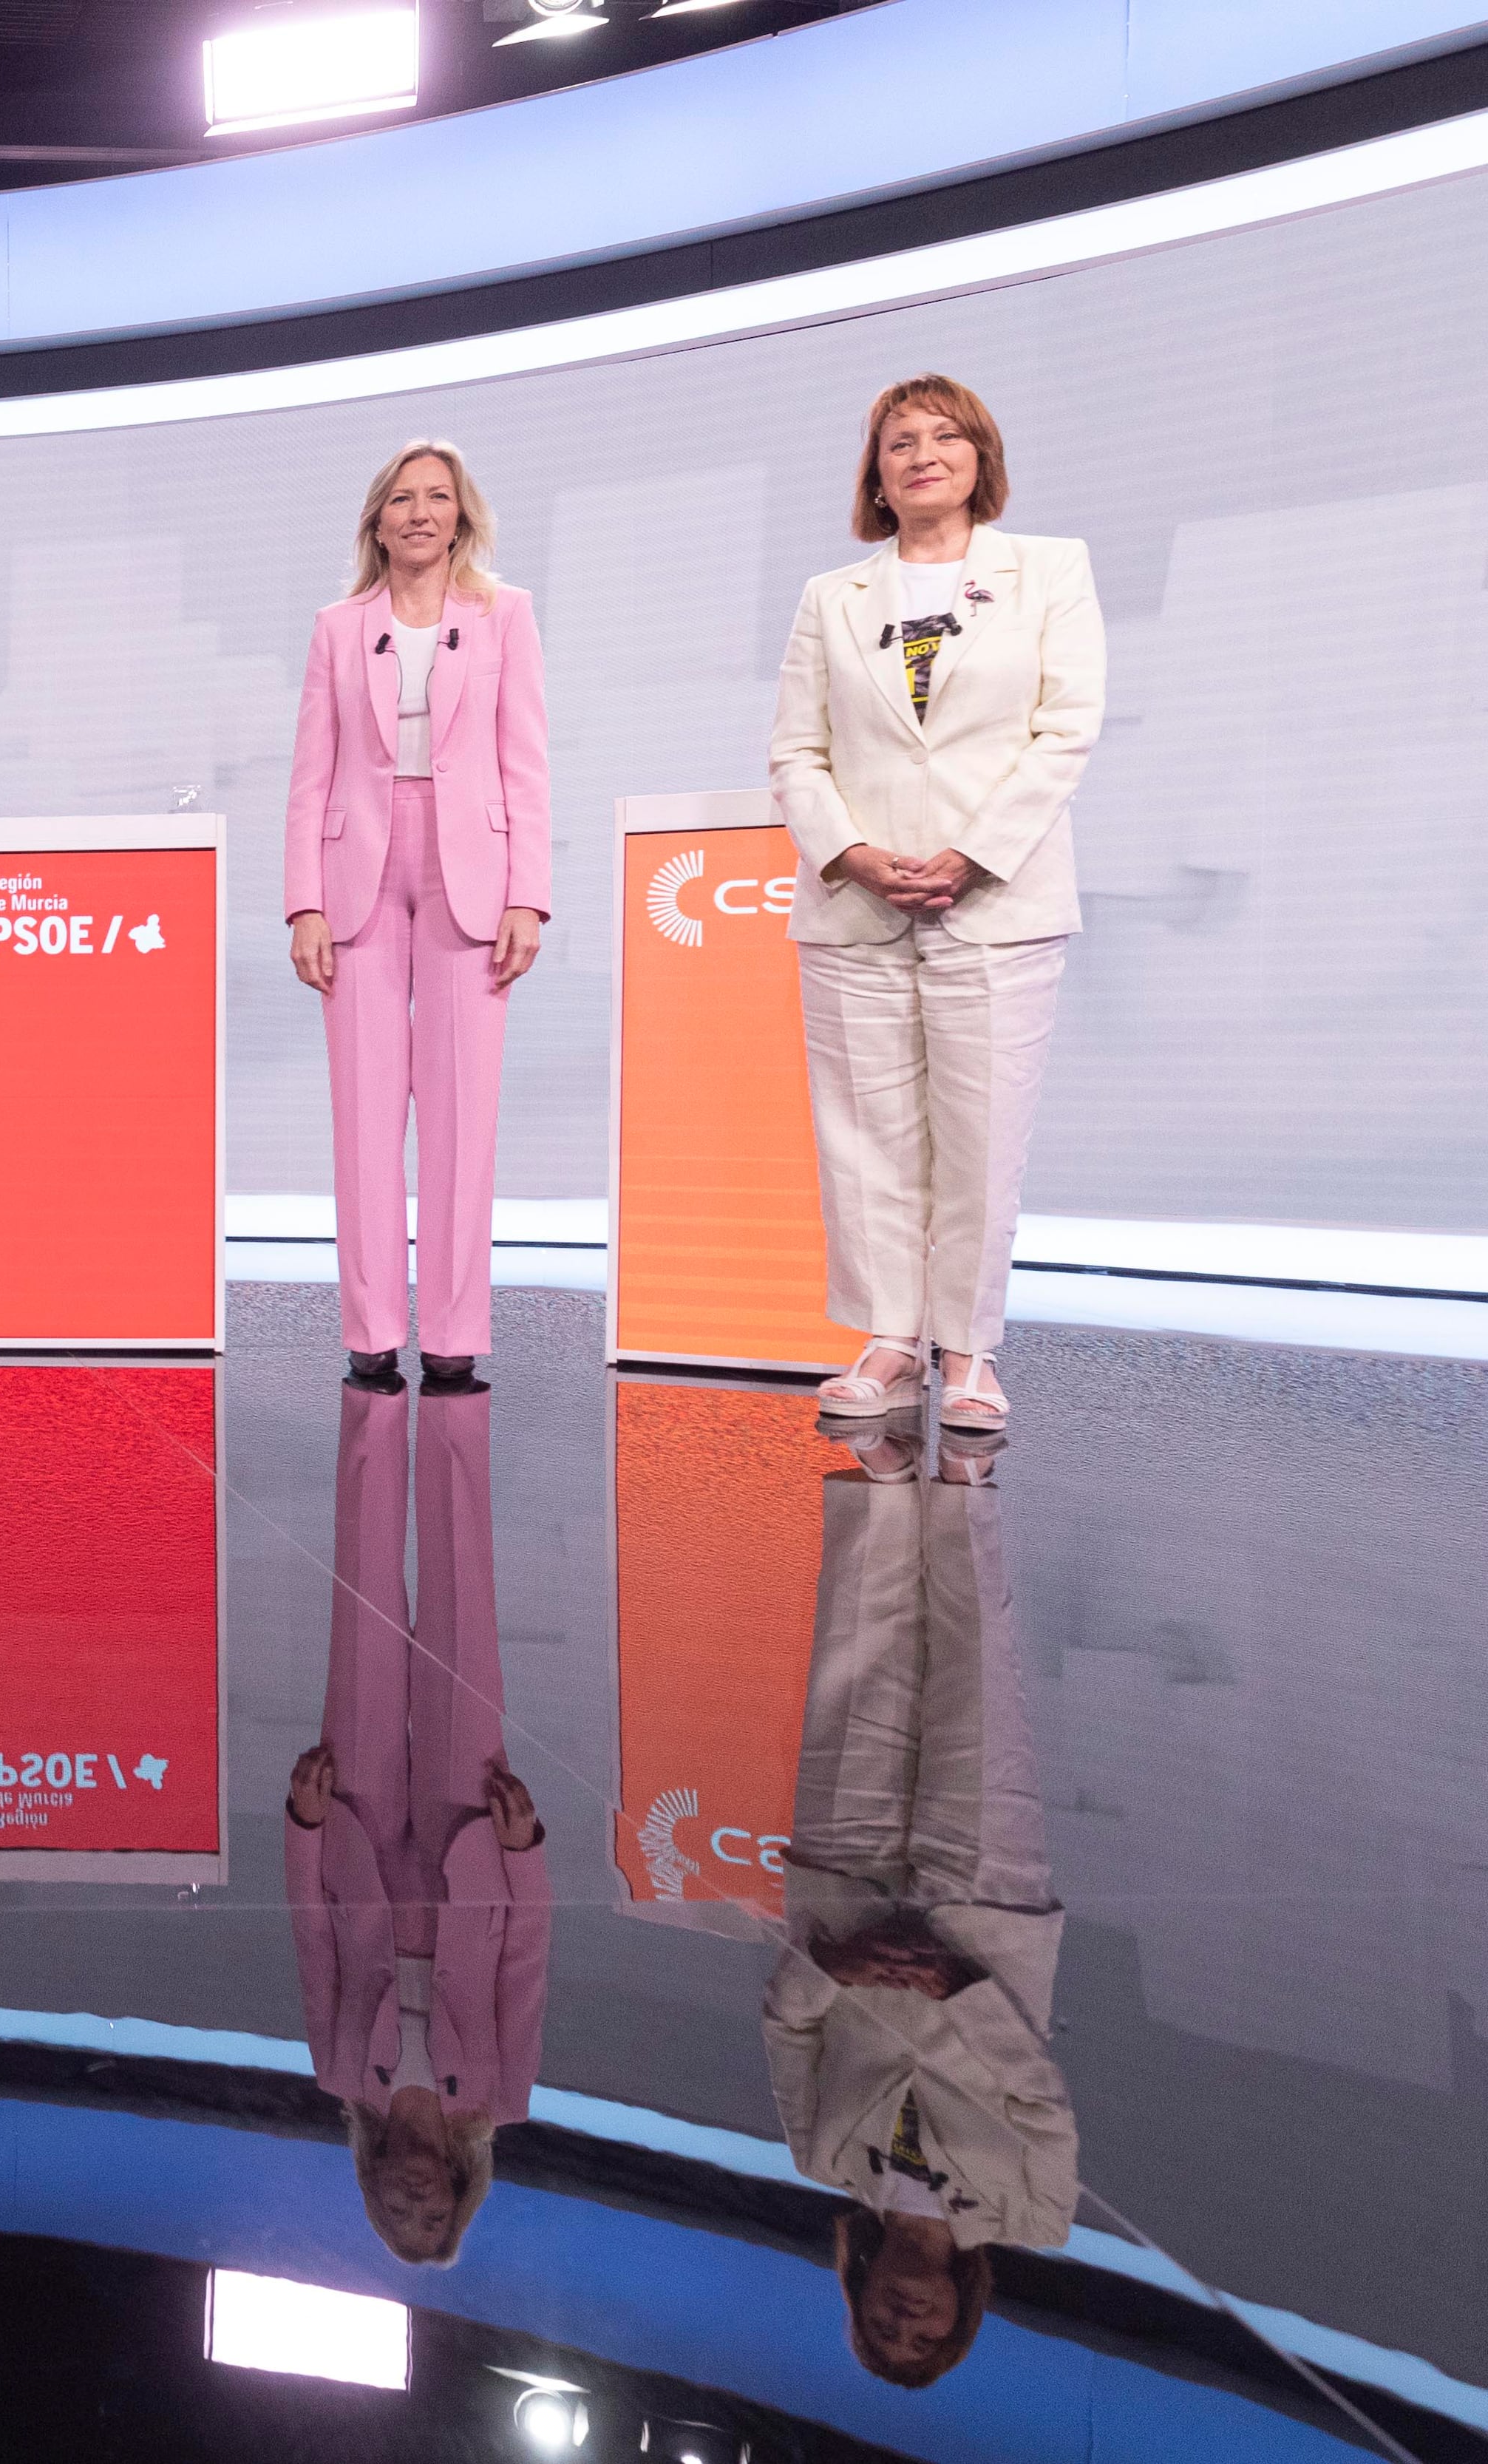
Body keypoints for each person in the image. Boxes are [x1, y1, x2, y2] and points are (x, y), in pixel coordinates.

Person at [770, 375, 1104, 1433]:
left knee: (979, 1129)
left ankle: (967, 1351)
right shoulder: (834, 596)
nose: (922, 453)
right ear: (876, 472)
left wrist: (972, 853)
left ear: (979, 456)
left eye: (944, 435)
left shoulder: (1049, 570)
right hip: (857, 905)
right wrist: (855, 853)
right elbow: (796, 750)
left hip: (996, 898)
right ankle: (887, 1339)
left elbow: (1067, 728)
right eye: (899, 440)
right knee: (867, 1133)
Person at [768, 1421, 1067, 2386]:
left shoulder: (823, 2155)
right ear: (958, 2318)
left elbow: (787, 2026)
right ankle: (967, 1484)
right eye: (925, 2336)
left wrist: (836, 1970)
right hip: (984, 1922)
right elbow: (1039, 2102)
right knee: (975, 1689)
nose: (906, 2320)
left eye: (883, 2331)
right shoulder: (1034, 2211)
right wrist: (961, 1989)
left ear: (856, 2298)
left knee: (858, 1671)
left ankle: (888, 1482)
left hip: (846, 1903)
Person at [283, 441, 552, 1391]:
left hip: (469, 865)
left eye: (436, 498)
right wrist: (301, 901)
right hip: (355, 863)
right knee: (362, 1108)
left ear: (460, 514)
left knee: (458, 1109)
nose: (418, 514)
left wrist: (528, 892)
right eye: (401, 499)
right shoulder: (335, 626)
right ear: (376, 519)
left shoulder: (503, 615)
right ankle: (369, 1326)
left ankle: (451, 1327)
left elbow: (524, 757)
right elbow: (310, 767)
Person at [284, 1370, 549, 2265]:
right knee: (458, 1618)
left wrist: (302, 1825)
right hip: (469, 1848)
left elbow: (313, 1943)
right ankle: (451, 1409)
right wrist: (521, 1853)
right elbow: (523, 1960)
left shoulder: (337, 2076)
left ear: (370, 2194)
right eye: (432, 2221)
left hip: (357, 1840)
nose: (413, 2207)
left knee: (359, 1610)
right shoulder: (498, 2095)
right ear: (458, 2198)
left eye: (396, 2220)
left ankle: (369, 1399)